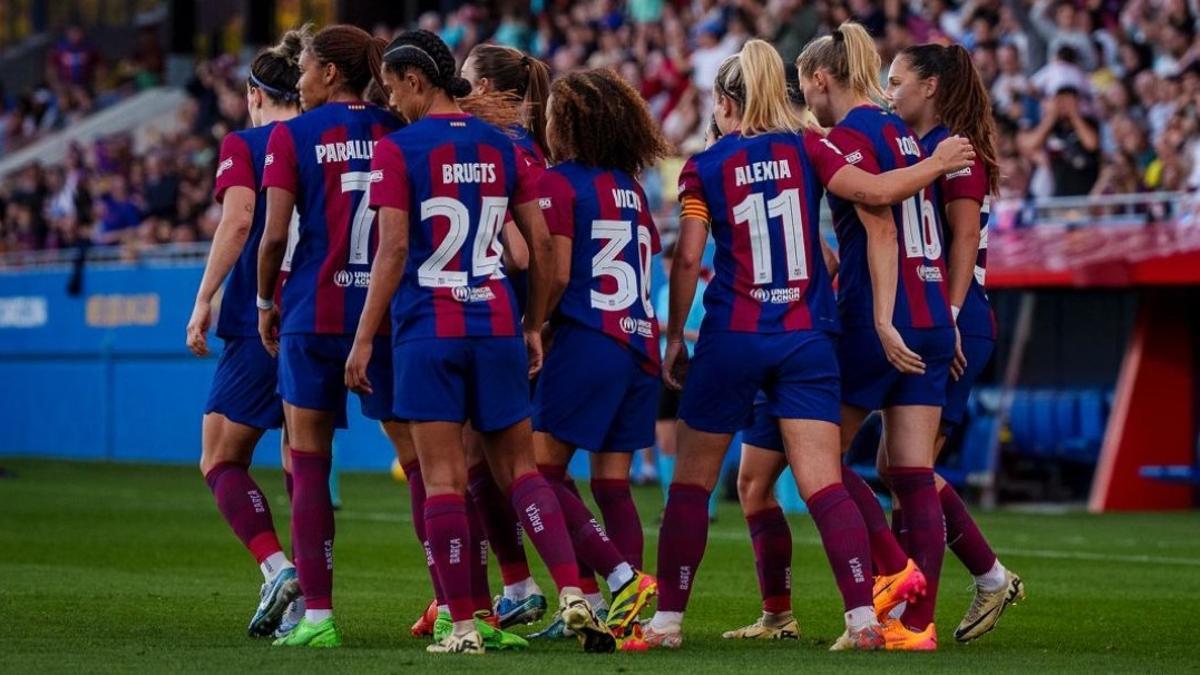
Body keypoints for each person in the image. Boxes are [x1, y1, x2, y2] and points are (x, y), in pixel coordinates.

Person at [643, 37, 974, 650]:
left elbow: (688, 259)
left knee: (691, 485)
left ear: (724, 103)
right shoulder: (809, 146)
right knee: (824, 484)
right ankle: (862, 621)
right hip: (806, 338)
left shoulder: (705, 164)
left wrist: (672, 339)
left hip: (735, 334)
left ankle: (666, 622)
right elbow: (873, 206)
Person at [345, 29, 612, 656]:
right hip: (494, 324)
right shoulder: (502, 146)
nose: (392, 99)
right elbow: (540, 245)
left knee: (442, 479)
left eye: (393, 87)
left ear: (416, 81)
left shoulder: (397, 149)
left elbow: (392, 251)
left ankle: (463, 627)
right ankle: (574, 589)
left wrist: (362, 341)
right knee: (521, 471)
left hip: (428, 331)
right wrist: (532, 324)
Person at [797, 21, 960, 650]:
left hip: (879, 315)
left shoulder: (854, 134)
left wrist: (882, 320)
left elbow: (882, 229)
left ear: (820, 79)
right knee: (914, 475)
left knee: (822, 460)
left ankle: (893, 573)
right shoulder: (903, 131)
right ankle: (919, 626)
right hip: (931, 310)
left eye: (805, 87)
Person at [255, 24, 405, 649]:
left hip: (313, 313)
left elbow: (272, 235)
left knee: (308, 466)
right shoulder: (397, 127)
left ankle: (317, 617)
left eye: (309, 67)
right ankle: (457, 606)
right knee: (430, 467)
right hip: (389, 313)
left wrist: (265, 300)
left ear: (332, 74)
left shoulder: (291, 134)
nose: (300, 78)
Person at [885, 42, 1025, 643]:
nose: (888, 92)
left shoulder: (957, 153)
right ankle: (916, 594)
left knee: (909, 469)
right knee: (900, 468)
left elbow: (964, 238)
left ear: (931, 87)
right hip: (944, 313)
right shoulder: (930, 150)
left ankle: (957, 591)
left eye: (896, 81)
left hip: (957, 317)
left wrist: (948, 312)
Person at [530, 67, 671, 646]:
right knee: (612, 485)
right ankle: (621, 619)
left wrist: (532, 323)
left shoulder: (558, 182)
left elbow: (559, 271)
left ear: (564, 122)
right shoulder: (630, 187)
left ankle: (616, 582)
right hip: (640, 342)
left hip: (589, 338)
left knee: (538, 472)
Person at [185, 27, 305, 640]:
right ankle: (314, 603)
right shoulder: (320, 138)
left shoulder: (247, 143)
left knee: (219, 455)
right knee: (303, 458)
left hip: (262, 318)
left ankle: (279, 569)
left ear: (256, 93)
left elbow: (238, 224)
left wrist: (204, 299)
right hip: (321, 314)